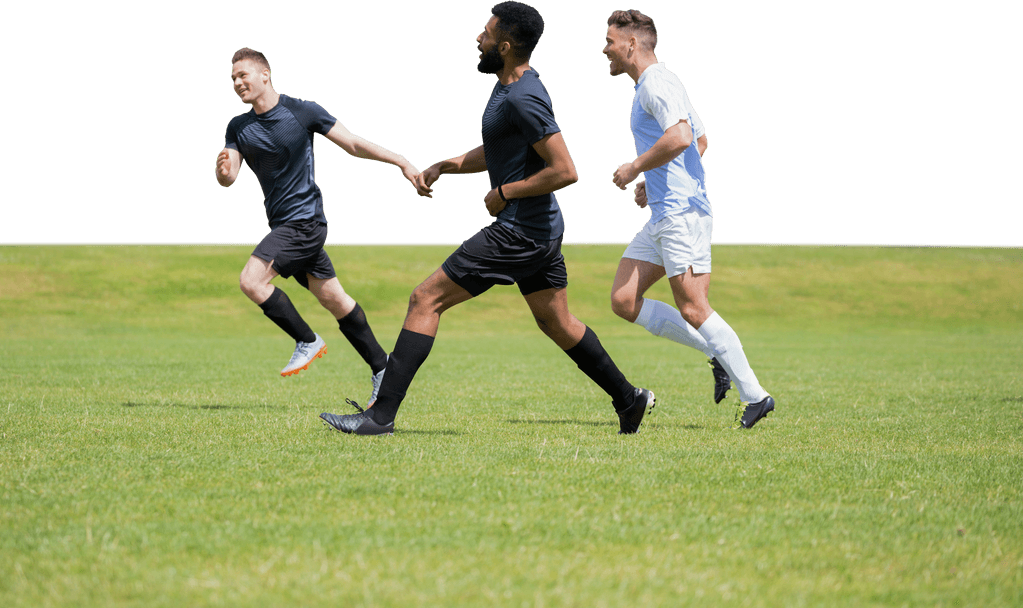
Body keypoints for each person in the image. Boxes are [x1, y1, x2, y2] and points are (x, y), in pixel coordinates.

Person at [319, 1, 654, 436]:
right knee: (557, 322)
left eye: (486, 33)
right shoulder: (508, 90)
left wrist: (504, 192)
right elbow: (503, 150)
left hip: (520, 230)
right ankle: (629, 400)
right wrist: (448, 165)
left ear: (507, 45)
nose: (479, 39)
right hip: (540, 230)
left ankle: (379, 417)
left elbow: (565, 170)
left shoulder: (524, 96)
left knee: (426, 299)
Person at [216, 48, 420, 406]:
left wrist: (400, 160)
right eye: (233, 78)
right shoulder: (238, 126)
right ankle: (383, 369)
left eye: (243, 75)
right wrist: (223, 173)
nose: (237, 83)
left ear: (265, 74)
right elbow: (229, 175)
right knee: (336, 300)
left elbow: (354, 144)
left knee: (251, 280)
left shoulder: (302, 111)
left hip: (305, 222)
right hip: (284, 224)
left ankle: (306, 340)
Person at [602, 10, 775, 429]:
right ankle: (714, 353)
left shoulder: (657, 84)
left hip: (682, 214)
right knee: (624, 300)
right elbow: (698, 140)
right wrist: (656, 178)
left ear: (630, 44)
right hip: (665, 212)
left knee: (695, 308)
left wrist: (636, 168)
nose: (604, 48)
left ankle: (756, 396)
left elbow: (680, 138)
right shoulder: (661, 81)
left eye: (609, 40)